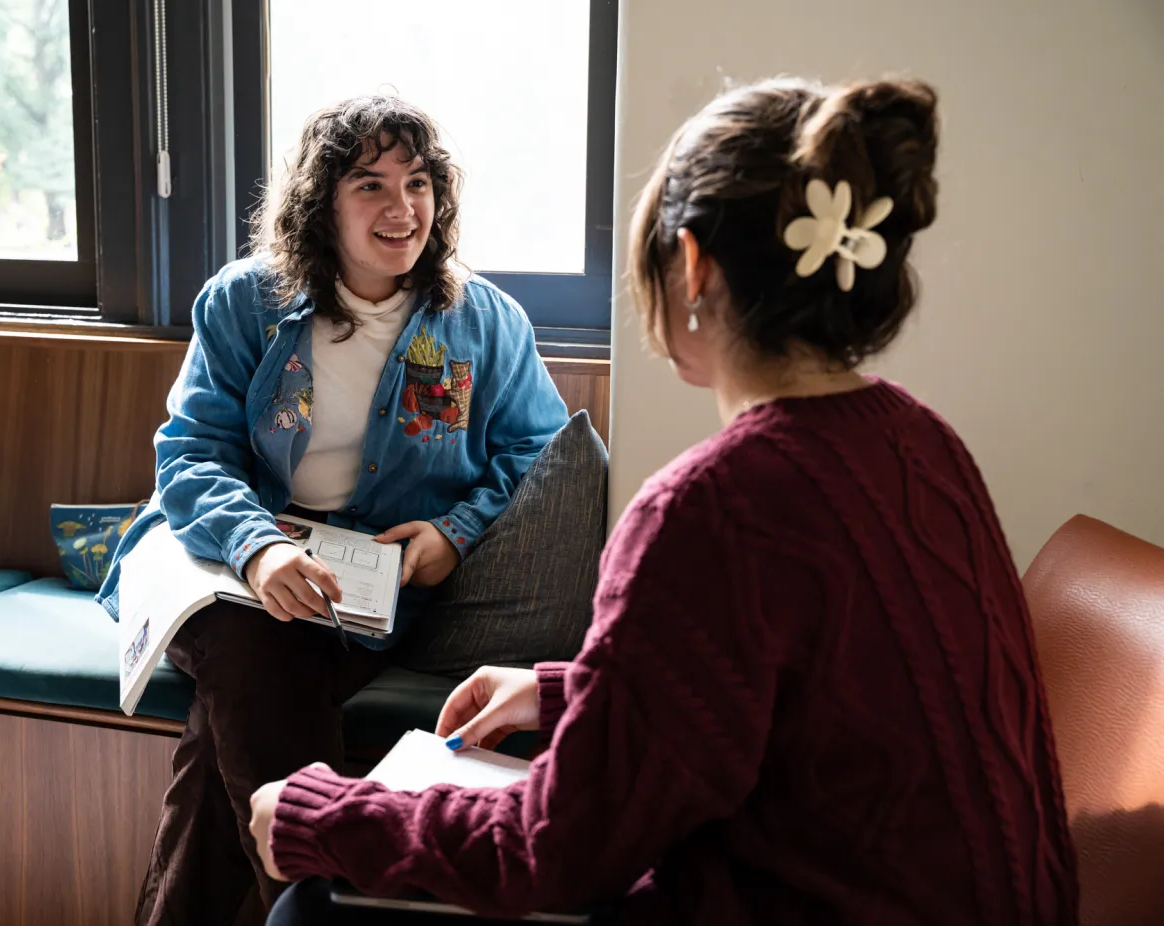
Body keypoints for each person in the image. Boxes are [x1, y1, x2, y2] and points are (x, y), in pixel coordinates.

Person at [249, 77, 1080, 925]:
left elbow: (557, 852)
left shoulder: (709, 507)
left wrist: (326, 814)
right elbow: (809, 694)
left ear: (691, 264)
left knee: (308, 905)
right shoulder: (924, 443)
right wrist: (570, 690)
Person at [94, 95, 570, 925]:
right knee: (252, 647)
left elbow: (535, 453)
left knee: (234, 718)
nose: (402, 208)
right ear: (322, 204)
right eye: (370, 184)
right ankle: (322, 908)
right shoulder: (243, 303)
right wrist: (257, 551)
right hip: (219, 568)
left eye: (419, 183)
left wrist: (454, 535)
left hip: (370, 590)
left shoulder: (485, 321)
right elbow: (192, 453)